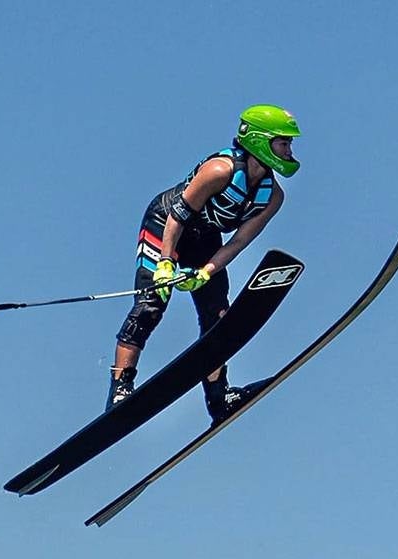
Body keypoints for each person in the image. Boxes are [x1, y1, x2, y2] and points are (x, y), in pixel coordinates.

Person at [107, 104, 301, 425]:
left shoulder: (272, 197)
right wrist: (167, 262)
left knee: (218, 316)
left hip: (205, 239)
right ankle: (120, 388)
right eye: (283, 142)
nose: (289, 150)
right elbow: (177, 216)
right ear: (258, 140)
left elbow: (238, 242)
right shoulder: (219, 171)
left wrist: (207, 271)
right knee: (151, 304)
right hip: (165, 225)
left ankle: (218, 397)